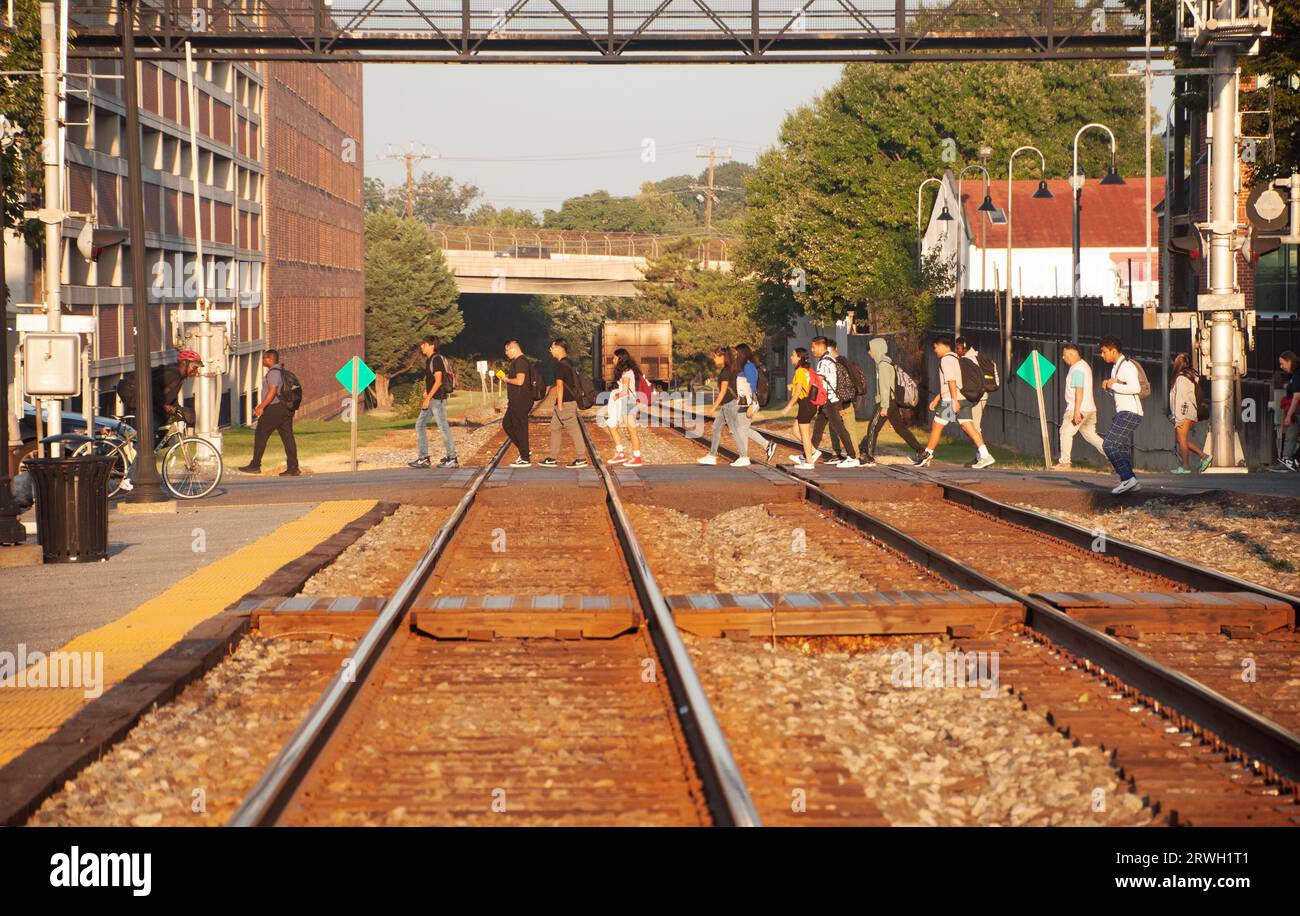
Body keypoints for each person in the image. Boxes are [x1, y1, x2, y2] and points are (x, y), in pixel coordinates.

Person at [914, 336, 995, 469]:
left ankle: (927, 455)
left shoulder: (946, 360)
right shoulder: (956, 358)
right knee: (968, 427)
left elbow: (951, 381)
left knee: (937, 425)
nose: (934, 351)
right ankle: (986, 456)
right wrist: (937, 398)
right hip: (963, 398)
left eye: (935, 348)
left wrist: (953, 401)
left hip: (952, 400)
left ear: (941, 346)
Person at [857, 336, 925, 466]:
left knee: (873, 428)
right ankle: (922, 452)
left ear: (877, 349)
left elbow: (885, 387)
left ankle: (869, 457)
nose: (869, 354)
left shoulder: (883, 365)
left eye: (871, 350)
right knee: (900, 429)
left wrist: (884, 407)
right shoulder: (889, 362)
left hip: (887, 401)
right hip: (892, 401)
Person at [238, 349, 300, 476]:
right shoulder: (280, 371)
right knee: (288, 438)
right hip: (285, 409)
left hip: (274, 409)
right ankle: (293, 467)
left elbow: (272, 392)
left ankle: (255, 465)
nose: (263, 360)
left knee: (261, 434)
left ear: (270, 359)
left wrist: (261, 406)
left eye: (264, 358)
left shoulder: (273, 373)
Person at [117, 348, 202, 437]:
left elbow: (170, 396)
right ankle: (140, 449)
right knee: (148, 432)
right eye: (194, 367)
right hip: (136, 397)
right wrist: (164, 405)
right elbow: (153, 386)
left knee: (158, 423)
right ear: (184, 364)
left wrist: (176, 409)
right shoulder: (174, 373)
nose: (196, 371)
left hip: (144, 402)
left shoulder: (178, 376)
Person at [1099, 336, 1144, 494]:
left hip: (1130, 412)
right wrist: (1111, 388)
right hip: (1124, 411)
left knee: (1109, 444)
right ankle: (1132, 481)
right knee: (1118, 446)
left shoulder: (1126, 366)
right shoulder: (1116, 367)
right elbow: (1121, 391)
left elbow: (1136, 388)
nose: (1102, 355)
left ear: (1113, 350)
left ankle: (1127, 479)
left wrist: (1114, 385)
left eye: (1104, 352)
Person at [807, 336, 860, 468]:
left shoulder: (824, 362)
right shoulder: (830, 359)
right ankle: (809, 454)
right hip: (829, 400)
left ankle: (852, 456)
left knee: (840, 428)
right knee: (818, 428)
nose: (812, 350)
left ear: (820, 347)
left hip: (830, 401)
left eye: (813, 347)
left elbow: (818, 381)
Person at [1054, 343, 1107, 470]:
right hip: (1090, 408)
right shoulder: (1084, 366)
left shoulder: (1077, 369)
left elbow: (1079, 390)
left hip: (1078, 408)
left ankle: (1065, 462)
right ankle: (1114, 457)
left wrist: (1076, 411)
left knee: (1065, 432)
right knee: (1091, 435)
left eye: (1065, 355)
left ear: (1072, 354)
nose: (1063, 357)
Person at [408, 335, 457, 469]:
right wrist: (427, 392)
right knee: (420, 425)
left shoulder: (436, 360)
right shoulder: (430, 360)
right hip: (433, 398)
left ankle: (452, 458)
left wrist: (428, 398)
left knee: (443, 427)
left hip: (437, 399)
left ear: (431, 346)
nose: (421, 347)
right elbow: (432, 381)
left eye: (423, 344)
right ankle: (423, 458)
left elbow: (439, 381)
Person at [539, 338, 588, 469]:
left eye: (552, 347)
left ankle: (581, 457)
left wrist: (559, 404)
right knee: (555, 428)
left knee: (573, 429)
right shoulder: (569, 363)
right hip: (567, 402)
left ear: (559, 348)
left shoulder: (560, 365)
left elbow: (559, 386)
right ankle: (552, 458)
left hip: (565, 403)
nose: (550, 350)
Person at [697, 346, 749, 466]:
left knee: (735, 430)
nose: (714, 360)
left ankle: (744, 456)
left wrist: (713, 407)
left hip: (730, 404)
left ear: (722, 357)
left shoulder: (726, 371)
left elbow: (723, 391)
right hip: (726, 405)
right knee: (716, 427)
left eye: (715, 357)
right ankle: (712, 455)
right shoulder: (728, 369)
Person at [734, 343, 777, 463]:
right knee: (741, 428)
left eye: (737, 353)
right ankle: (767, 445)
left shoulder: (749, 367)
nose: (736, 355)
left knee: (742, 428)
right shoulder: (744, 367)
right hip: (744, 402)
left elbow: (752, 386)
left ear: (743, 353)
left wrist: (752, 405)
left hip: (751, 402)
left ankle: (744, 457)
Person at [1170, 352, 1211, 474]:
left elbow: (1182, 400)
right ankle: (1204, 456)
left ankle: (1186, 466)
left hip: (1185, 413)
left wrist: (1179, 417)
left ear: (1179, 363)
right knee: (1181, 440)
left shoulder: (1181, 378)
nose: (1174, 360)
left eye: (1176, 359)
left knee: (1182, 439)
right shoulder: (1189, 378)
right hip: (1189, 413)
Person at [780, 347, 819, 469]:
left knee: (805, 434)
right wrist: (793, 385)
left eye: (793, 355)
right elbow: (803, 386)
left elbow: (797, 394)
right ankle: (813, 451)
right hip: (809, 404)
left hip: (806, 404)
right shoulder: (806, 370)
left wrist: (788, 407)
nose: (791, 357)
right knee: (795, 430)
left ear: (799, 358)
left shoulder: (800, 372)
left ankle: (809, 462)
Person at [604, 347, 644, 467]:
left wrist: (616, 395)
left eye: (614, 357)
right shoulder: (625, 372)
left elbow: (625, 391)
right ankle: (620, 453)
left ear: (620, 358)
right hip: (625, 402)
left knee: (631, 429)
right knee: (612, 426)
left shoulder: (627, 372)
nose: (613, 360)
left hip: (628, 402)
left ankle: (637, 457)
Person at [496, 339, 533, 468]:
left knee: (520, 428)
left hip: (520, 400)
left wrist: (506, 379)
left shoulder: (520, 362)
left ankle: (525, 457)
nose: (506, 353)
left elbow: (520, 381)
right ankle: (524, 450)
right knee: (507, 424)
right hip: (516, 400)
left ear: (512, 348)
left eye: (506, 350)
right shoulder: (518, 362)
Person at [1269, 350, 1300, 472]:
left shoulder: (1297, 374)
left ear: (1290, 361)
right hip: (1295, 411)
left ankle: (1293, 461)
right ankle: (1286, 461)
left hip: (1296, 410)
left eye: (1282, 363)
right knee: (1290, 436)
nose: (1281, 367)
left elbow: (1297, 396)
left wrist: (1289, 415)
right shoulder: (1294, 376)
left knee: (1290, 435)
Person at [954, 337, 986, 441]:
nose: (956, 350)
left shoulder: (970, 359)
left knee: (974, 427)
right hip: (969, 396)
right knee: (967, 426)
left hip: (978, 396)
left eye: (958, 348)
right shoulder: (971, 357)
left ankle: (983, 455)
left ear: (964, 348)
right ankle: (981, 454)